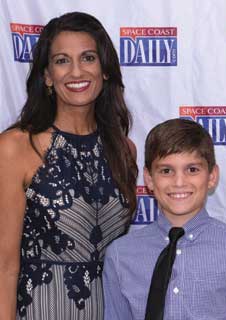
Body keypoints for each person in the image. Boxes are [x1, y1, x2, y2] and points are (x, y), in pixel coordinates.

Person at [0, 12, 138, 320]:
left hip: (111, 310)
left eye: (88, 57)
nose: (76, 71)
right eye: (62, 60)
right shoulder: (15, 148)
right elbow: (4, 266)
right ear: (47, 75)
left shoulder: (124, 150)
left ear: (104, 70)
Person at [103, 118, 226, 320]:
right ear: (149, 179)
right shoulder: (120, 254)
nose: (179, 182)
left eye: (192, 170)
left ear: (212, 176)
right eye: (166, 171)